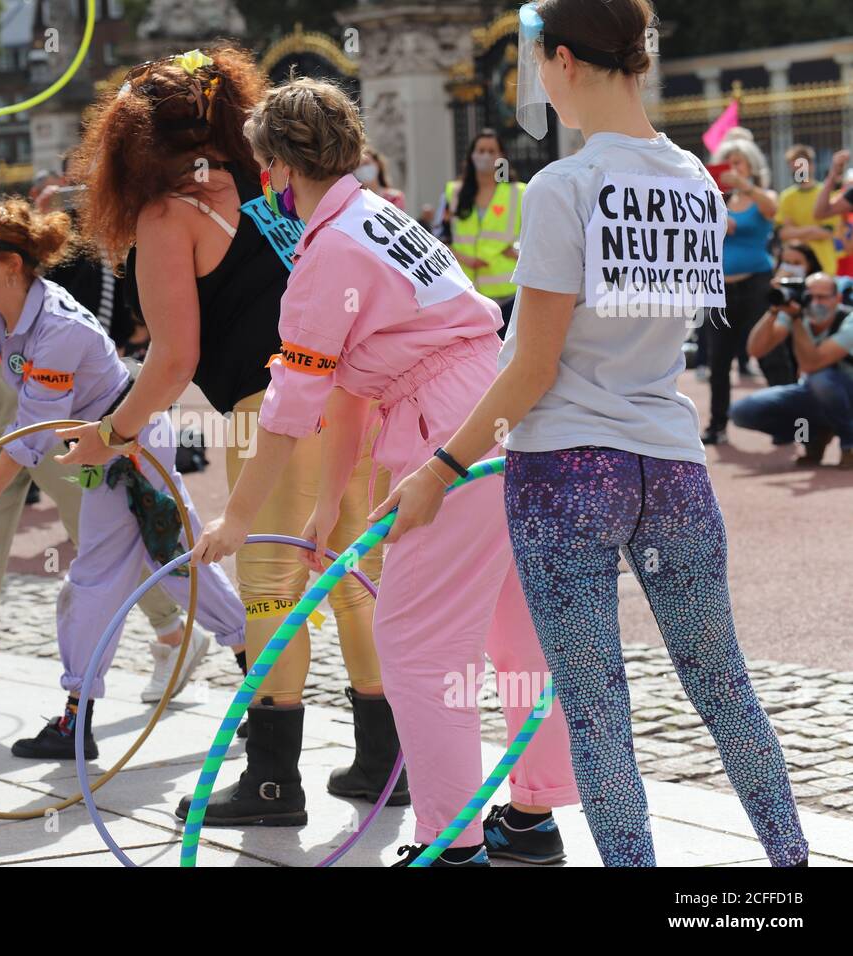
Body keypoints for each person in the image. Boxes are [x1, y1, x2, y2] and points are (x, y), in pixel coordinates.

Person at [372, 0, 808, 867]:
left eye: (537, 66)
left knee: (599, 711)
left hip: (566, 473)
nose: (537, 85)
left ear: (565, 61)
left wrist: (437, 469)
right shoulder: (696, 182)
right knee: (725, 690)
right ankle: (788, 878)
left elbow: (530, 371)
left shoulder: (564, 188)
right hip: (672, 463)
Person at [191, 77, 579, 867]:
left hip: (449, 429)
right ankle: (532, 819)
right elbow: (350, 390)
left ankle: (449, 844)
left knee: (419, 644)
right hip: (502, 411)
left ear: (278, 167)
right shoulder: (380, 219)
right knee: (514, 629)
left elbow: (290, 408)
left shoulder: (328, 251)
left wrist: (236, 518)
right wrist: (328, 505)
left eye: (265, 165)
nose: (265, 183)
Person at [62, 46, 406, 824]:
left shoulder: (165, 214)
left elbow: (172, 357)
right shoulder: (266, 171)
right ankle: (387, 763)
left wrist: (111, 435)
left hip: (276, 407)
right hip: (357, 396)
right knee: (354, 578)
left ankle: (273, 784)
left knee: (269, 593)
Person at [0, 197, 246, 755]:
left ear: (10, 264)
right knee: (172, 567)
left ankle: (82, 724)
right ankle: (257, 678)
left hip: (129, 449)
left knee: (113, 579)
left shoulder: (55, 326)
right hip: (102, 449)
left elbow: (30, 432)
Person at [702, 129, 782, 444]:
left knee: (770, 354)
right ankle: (717, 425)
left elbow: (772, 209)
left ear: (750, 166)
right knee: (719, 361)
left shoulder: (763, 194)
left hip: (756, 285)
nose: (734, 168)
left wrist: (745, 187)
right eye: (728, 163)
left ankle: (785, 422)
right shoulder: (718, 200)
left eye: (739, 163)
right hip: (720, 289)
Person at [729, 272, 853, 469]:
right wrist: (774, 310)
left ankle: (849, 444)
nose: (815, 303)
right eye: (809, 296)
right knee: (742, 412)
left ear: (837, 298)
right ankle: (811, 437)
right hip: (817, 394)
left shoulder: (849, 320)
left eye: (822, 297)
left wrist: (795, 320)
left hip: (847, 394)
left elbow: (812, 364)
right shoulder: (798, 313)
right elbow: (755, 349)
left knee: (820, 380)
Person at [441, 129, 526, 330]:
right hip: (467, 291)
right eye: (480, 150)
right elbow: (440, 236)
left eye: (491, 151)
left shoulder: (518, 192)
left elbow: (537, 235)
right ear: (471, 156)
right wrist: (464, 258)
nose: (485, 156)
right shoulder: (454, 192)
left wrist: (517, 252)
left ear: (502, 157)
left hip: (508, 292)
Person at [776, 144, 842, 276]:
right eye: (793, 168)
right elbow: (783, 233)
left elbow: (827, 232)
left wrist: (796, 231)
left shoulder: (826, 194)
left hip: (825, 265)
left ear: (811, 166)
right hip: (796, 269)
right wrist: (812, 230)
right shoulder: (786, 197)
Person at [354, 145, 406, 209]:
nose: (362, 168)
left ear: (377, 164)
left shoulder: (395, 198)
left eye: (366, 163)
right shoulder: (355, 201)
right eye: (358, 165)